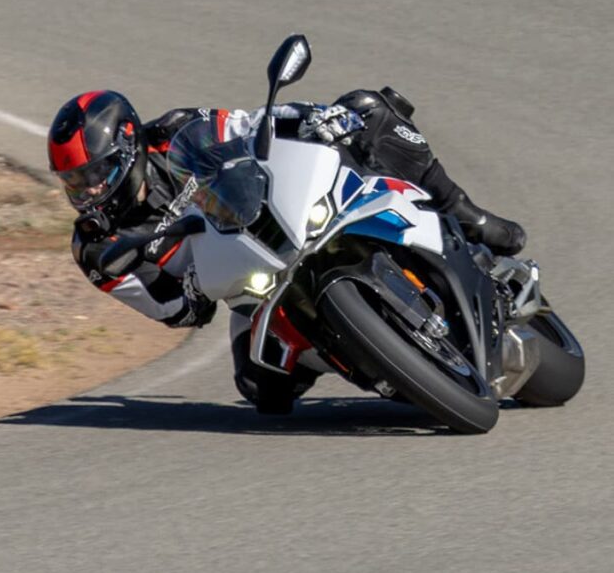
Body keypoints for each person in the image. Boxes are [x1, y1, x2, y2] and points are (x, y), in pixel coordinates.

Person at [47, 86, 525, 410]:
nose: (87, 191)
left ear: (129, 148)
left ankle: (463, 213)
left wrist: (316, 117)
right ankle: (375, 358)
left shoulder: (175, 131)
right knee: (262, 389)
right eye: (73, 182)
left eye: (95, 174)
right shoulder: (96, 247)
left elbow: (257, 124)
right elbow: (172, 310)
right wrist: (189, 290)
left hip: (281, 214)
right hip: (243, 283)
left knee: (369, 107)